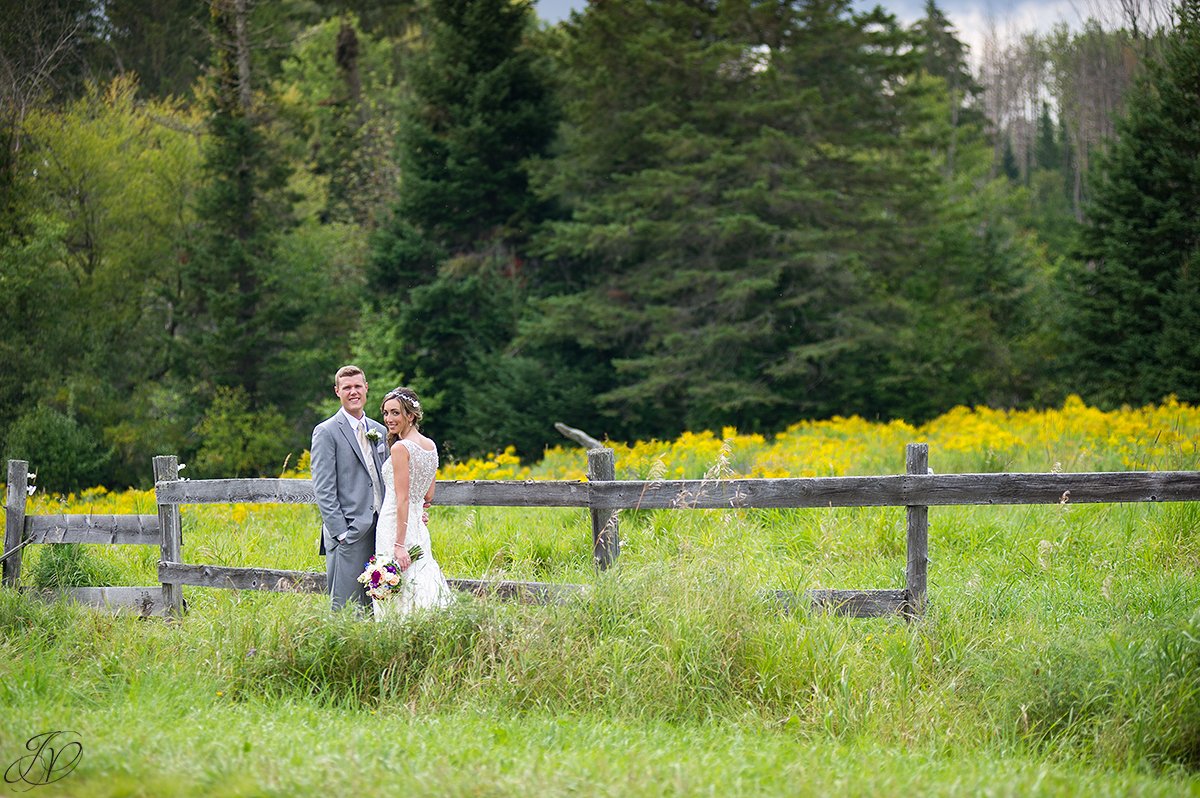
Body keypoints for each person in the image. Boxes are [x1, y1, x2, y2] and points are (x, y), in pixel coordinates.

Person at [311, 365, 388, 612]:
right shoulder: (326, 431)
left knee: (379, 605)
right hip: (349, 533)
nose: (353, 392)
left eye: (357, 386)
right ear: (337, 392)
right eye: (347, 388)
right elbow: (323, 488)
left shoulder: (381, 430)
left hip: (381, 530)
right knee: (346, 609)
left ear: (366, 388)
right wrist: (341, 533)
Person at [373, 386, 453, 620]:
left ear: (411, 415)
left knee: (397, 585)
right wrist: (420, 512)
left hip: (394, 526)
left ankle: (397, 633)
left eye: (395, 413)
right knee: (420, 576)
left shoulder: (400, 448)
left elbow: (403, 497)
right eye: (386, 413)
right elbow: (428, 496)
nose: (389, 419)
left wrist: (399, 545)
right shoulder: (430, 446)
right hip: (417, 526)